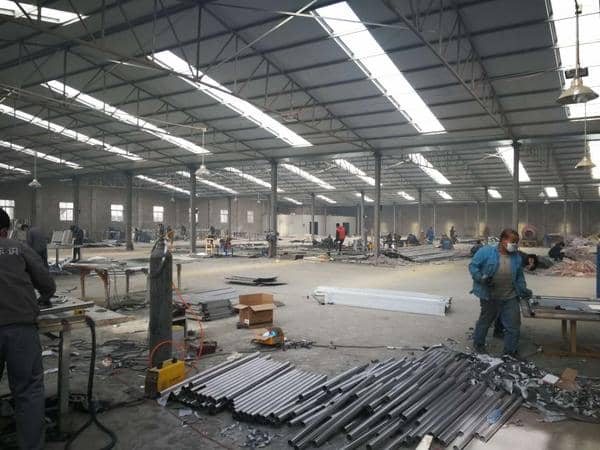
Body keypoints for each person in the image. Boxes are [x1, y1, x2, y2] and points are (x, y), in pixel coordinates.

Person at [0, 208, 56, 450]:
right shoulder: (18, 248)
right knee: (28, 390)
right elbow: (46, 282)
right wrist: (45, 296)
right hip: (20, 328)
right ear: (5, 231)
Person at [468, 228, 532, 356]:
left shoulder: (516, 257)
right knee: (485, 321)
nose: (515, 245)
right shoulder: (486, 251)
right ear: (503, 240)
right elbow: (473, 266)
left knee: (513, 325)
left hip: (510, 296)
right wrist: (481, 278)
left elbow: (519, 276)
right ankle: (478, 344)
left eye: (517, 242)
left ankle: (510, 352)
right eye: (513, 241)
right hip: (490, 295)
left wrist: (523, 290)